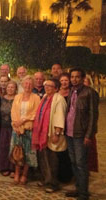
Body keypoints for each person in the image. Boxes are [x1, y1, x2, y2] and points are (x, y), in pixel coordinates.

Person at [65, 68, 98, 200]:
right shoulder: (72, 91)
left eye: (77, 77)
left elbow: (93, 115)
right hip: (69, 132)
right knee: (73, 162)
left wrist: (88, 135)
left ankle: (84, 193)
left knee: (81, 163)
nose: (74, 79)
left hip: (81, 134)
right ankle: (78, 188)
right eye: (72, 77)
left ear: (83, 78)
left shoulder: (90, 93)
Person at [32, 78, 67, 193]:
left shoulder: (59, 99)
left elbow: (60, 117)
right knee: (43, 157)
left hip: (52, 133)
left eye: (50, 86)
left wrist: (57, 133)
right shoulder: (45, 98)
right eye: (46, 85)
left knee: (52, 159)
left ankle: (53, 183)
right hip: (42, 133)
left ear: (56, 88)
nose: (47, 87)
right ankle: (46, 179)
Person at [10, 75, 40, 184]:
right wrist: (16, 126)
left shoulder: (36, 97)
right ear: (22, 84)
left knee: (28, 153)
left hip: (29, 129)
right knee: (17, 153)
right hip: (17, 130)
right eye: (26, 83)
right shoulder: (17, 96)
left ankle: (24, 174)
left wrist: (23, 121)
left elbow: (36, 113)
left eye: (30, 84)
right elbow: (13, 112)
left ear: (33, 86)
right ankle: (17, 173)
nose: (27, 85)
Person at [0, 79, 17, 177]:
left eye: (12, 87)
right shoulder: (1, 98)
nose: (10, 89)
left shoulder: (18, 99)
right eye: (9, 87)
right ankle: (4, 167)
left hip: (14, 127)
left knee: (13, 147)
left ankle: (13, 168)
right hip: (3, 126)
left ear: (15, 89)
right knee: (3, 147)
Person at [57, 72, 73, 183]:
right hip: (57, 125)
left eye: (66, 80)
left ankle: (67, 176)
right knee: (59, 151)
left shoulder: (72, 93)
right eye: (62, 80)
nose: (64, 82)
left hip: (69, 125)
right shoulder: (56, 93)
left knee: (68, 152)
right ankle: (59, 174)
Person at [84, 74, 99, 173]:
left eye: (85, 81)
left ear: (89, 83)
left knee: (89, 150)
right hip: (81, 126)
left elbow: (93, 113)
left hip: (88, 127)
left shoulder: (92, 93)